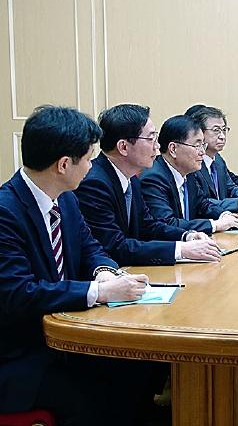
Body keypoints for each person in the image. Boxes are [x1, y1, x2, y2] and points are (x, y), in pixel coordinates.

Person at [0, 106, 156, 425]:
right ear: (64, 164)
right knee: (95, 397)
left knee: (143, 367)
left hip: (60, 337)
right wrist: (98, 291)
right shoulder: (6, 212)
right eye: (88, 158)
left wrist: (103, 270)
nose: (91, 166)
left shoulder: (65, 198)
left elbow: (91, 248)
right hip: (21, 354)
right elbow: (19, 292)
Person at [74, 104, 222, 266]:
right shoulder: (95, 183)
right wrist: (181, 250)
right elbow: (115, 246)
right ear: (123, 147)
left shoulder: (131, 178)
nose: (157, 146)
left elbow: (148, 225)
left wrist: (186, 236)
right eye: (151, 138)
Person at [140, 115, 238, 233]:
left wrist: (223, 214)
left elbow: (203, 204)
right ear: (173, 149)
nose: (202, 152)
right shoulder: (153, 178)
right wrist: (214, 225)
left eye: (203, 145)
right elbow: (167, 223)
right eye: (197, 145)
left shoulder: (188, 173)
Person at [185, 104, 238, 212]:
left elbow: (230, 187)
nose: (222, 136)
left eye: (224, 130)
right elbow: (201, 203)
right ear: (200, 132)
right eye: (216, 130)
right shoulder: (192, 164)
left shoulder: (218, 160)